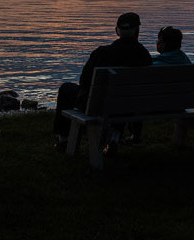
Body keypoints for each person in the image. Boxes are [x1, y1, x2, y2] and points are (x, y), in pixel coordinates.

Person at [52, 12, 152, 152]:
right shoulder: (145, 56)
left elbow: (84, 82)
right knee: (122, 97)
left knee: (66, 89)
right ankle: (114, 138)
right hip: (130, 106)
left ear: (116, 30)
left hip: (97, 106)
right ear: (137, 30)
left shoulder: (102, 53)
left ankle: (64, 140)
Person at [125, 26, 192, 144]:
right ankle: (178, 142)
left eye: (158, 41)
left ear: (163, 45)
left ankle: (135, 136)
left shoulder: (153, 66)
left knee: (132, 98)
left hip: (152, 106)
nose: (157, 43)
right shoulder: (186, 61)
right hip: (180, 104)